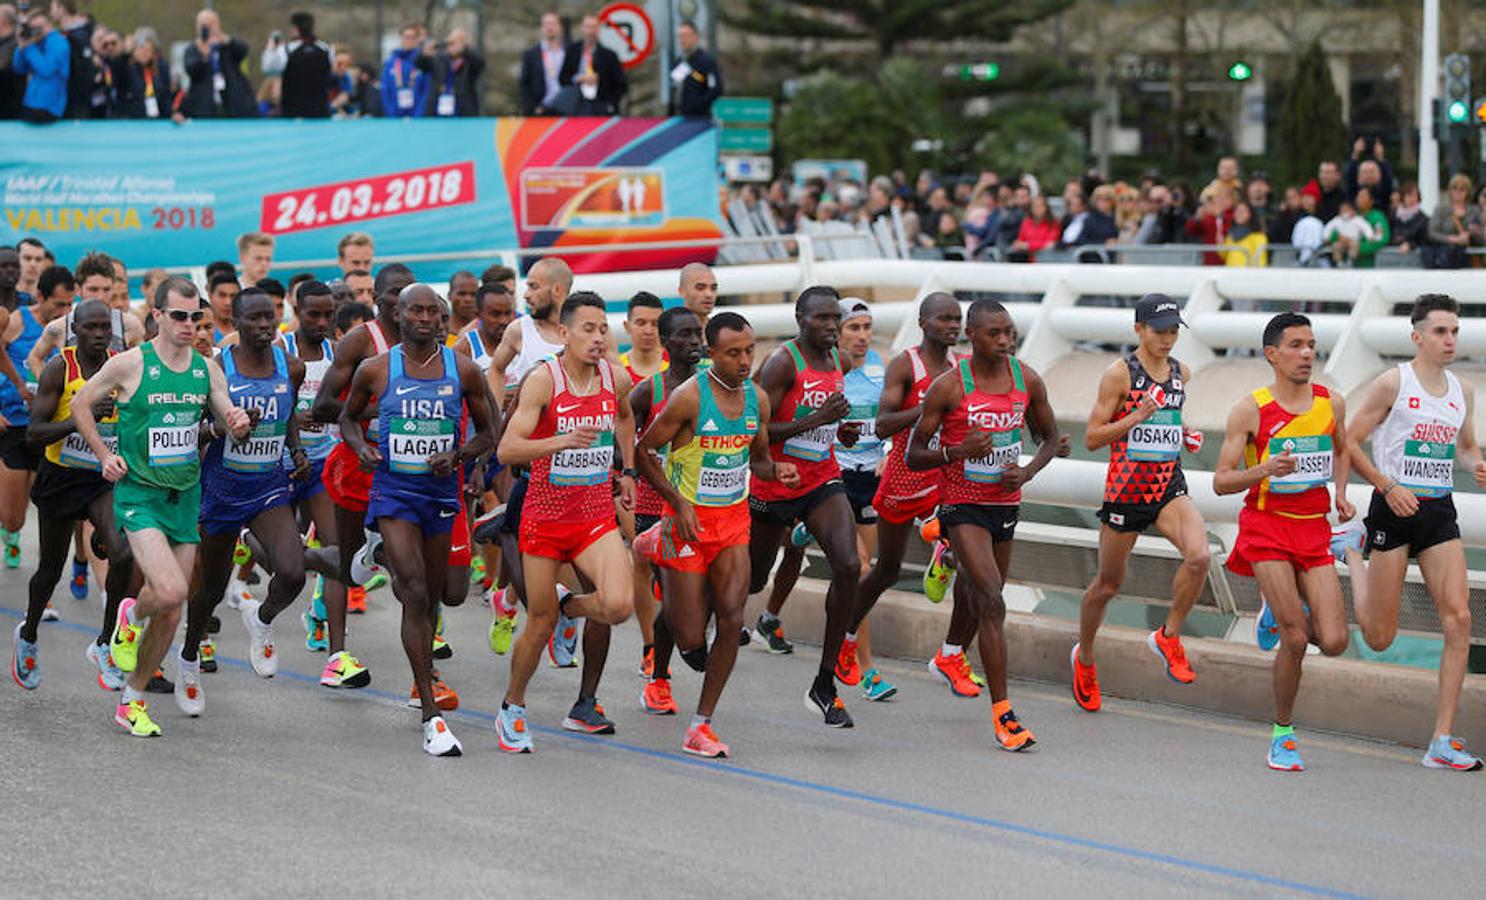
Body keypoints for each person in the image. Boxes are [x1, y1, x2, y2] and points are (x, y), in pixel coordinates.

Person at [70, 277, 250, 737]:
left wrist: (236, 419)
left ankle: (132, 699)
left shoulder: (206, 369)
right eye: (180, 316)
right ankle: (129, 617)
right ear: (157, 317)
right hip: (139, 495)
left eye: (196, 317)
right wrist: (103, 454)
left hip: (184, 496)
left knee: (172, 609)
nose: (190, 325)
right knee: (168, 592)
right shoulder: (130, 364)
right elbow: (80, 403)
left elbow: (226, 411)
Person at [340, 284, 496, 756]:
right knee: (415, 590)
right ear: (399, 315)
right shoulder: (376, 368)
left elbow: (491, 431)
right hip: (394, 493)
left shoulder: (462, 370)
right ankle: (431, 711)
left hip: (440, 493)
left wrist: (460, 454)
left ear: (443, 318)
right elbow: (347, 419)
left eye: (433, 311)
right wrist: (362, 447)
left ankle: (380, 554)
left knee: (441, 593)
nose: (425, 318)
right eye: (416, 310)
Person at [634, 311, 797, 757]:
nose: (745, 361)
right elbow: (643, 450)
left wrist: (775, 470)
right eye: (734, 353)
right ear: (712, 354)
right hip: (686, 521)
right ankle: (652, 546)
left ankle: (701, 725)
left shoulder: (757, 400)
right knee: (690, 637)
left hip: (731, 524)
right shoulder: (689, 398)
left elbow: (759, 458)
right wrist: (679, 503)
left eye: (750, 350)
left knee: (730, 618)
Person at [906, 299, 1060, 752]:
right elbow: (915, 454)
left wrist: (1027, 473)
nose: (1005, 340)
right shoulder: (948, 387)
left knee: (979, 594)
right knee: (992, 598)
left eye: (1010, 332)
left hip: (1004, 502)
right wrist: (956, 453)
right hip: (961, 503)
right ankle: (1004, 714)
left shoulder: (1026, 379)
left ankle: (949, 575)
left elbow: (1048, 437)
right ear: (971, 335)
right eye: (995, 333)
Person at [1338, 294, 1483, 771]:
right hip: (1393, 507)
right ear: (1417, 336)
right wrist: (1384, 484)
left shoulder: (1464, 390)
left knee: (1459, 619)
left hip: (1438, 509)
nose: (1450, 340)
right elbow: (1349, 440)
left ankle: (1440, 740)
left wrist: (1477, 464)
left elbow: (1464, 449)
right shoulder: (1391, 383)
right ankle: (1352, 553)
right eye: (1440, 332)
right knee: (1379, 637)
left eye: (1455, 331)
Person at [495, 291, 636, 753]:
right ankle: (512, 706)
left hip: (594, 516)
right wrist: (560, 441)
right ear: (564, 333)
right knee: (537, 623)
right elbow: (508, 450)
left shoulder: (614, 378)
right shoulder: (543, 381)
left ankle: (568, 609)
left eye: (604, 329)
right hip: (546, 517)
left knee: (617, 606)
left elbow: (626, 420)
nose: (599, 338)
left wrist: (629, 471)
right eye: (589, 329)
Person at [1213, 312, 1354, 771]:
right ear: (1272, 354)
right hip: (1267, 526)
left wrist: (1342, 494)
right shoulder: (1250, 409)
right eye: (1295, 345)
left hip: (1313, 527)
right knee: (1295, 638)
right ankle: (1283, 733)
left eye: (1312, 345)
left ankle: (1277, 608)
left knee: (1333, 641)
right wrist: (1264, 471)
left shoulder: (1331, 402)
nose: (1307, 353)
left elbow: (1343, 450)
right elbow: (1221, 481)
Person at [1072, 294, 1210, 712]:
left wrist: (1184, 431)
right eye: (1158, 331)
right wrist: (1136, 416)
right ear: (1138, 330)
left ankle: (1168, 636)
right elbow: (1093, 438)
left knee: (1200, 556)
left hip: (1168, 485)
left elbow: (1168, 417)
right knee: (1108, 584)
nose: (1167, 339)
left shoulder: (1181, 373)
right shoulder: (1119, 375)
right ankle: (1085, 658)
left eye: (1172, 331)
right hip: (1126, 493)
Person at [175, 287, 310, 715]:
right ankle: (189, 656)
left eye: (270, 316)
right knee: (210, 590)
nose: (265, 325)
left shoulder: (291, 367)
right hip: (220, 490)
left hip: (268, 485)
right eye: (254, 318)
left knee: (292, 572)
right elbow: (189, 433)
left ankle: (262, 619)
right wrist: (225, 429)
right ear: (234, 322)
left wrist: (297, 449)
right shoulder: (215, 369)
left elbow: (287, 414)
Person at [853, 293, 979, 695]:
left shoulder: (962, 367)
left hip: (943, 479)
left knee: (974, 563)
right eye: (944, 319)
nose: (952, 326)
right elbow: (883, 423)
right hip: (903, 480)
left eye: (956, 319)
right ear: (923, 323)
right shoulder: (906, 364)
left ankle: (952, 650)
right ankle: (846, 633)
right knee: (886, 568)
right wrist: (928, 408)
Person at [747, 285, 861, 727]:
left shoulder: (840, 361)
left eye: (837, 318)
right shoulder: (781, 363)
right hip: (773, 483)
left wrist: (839, 431)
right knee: (756, 580)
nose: (832, 326)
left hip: (821, 479)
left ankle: (824, 683)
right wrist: (818, 420)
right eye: (822, 319)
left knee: (849, 566)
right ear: (800, 318)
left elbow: (825, 420)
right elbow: (755, 432)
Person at [12, 300, 134, 691]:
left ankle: (106, 642)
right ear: (75, 331)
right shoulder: (59, 368)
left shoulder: (122, 366)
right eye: (91, 328)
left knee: (123, 552)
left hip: (102, 479)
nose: (99, 334)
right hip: (61, 478)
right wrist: (81, 419)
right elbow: (34, 433)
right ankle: (29, 633)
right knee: (50, 569)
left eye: (105, 328)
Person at [311, 264, 414, 690]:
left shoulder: (430, 344)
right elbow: (321, 407)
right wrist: (374, 411)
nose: (400, 300)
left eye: (407, 292)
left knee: (411, 567)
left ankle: (423, 671)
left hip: (409, 468)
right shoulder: (360, 340)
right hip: (359, 461)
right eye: (391, 293)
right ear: (377, 296)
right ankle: (337, 656)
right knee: (342, 560)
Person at [630, 306, 702, 699]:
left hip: (704, 507)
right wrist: (623, 479)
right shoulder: (649, 391)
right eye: (685, 335)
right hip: (651, 508)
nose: (695, 342)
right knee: (675, 599)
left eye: (699, 334)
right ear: (666, 342)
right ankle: (658, 678)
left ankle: (662, 662)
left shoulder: (714, 388)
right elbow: (627, 443)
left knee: (689, 597)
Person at [282, 280, 355, 668]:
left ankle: (338, 654)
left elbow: (350, 407)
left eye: (329, 315)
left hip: (324, 465)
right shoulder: (281, 349)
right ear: (297, 310)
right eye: (315, 314)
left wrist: (327, 415)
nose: (323, 321)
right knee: (285, 564)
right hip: (279, 466)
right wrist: (294, 420)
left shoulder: (338, 353)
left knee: (338, 554)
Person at [0, 264, 71, 571]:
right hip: (13, 423)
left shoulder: (70, 326)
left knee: (41, 502)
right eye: (58, 304)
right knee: (13, 520)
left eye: (70, 304)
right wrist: (17, 385)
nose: (65, 311)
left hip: (46, 428)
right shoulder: (17, 322)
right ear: (39, 296)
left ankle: (47, 575)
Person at [179, 9, 254, 119]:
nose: (207, 28)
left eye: (211, 24)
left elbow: (243, 51)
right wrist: (204, 55)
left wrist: (226, 40)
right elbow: (190, 70)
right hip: (205, 106)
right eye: (203, 25)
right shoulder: (193, 49)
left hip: (232, 103)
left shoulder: (227, 45)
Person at [559, 15, 625, 116]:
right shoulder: (572, 51)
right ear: (582, 28)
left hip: (601, 107)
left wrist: (610, 104)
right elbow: (562, 78)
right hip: (575, 107)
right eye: (588, 27)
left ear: (598, 29)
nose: (590, 32)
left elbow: (621, 85)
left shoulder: (609, 55)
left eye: (593, 27)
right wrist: (578, 79)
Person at [12, 8, 68, 123]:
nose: (36, 31)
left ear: (49, 25)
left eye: (40, 27)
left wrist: (29, 47)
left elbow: (46, 70)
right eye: (33, 28)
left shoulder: (58, 42)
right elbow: (19, 69)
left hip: (49, 105)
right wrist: (21, 47)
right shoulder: (36, 44)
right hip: (32, 102)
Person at [416, 28, 482, 117]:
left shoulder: (469, 60)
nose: (454, 45)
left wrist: (464, 50)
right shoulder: (439, 58)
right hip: (438, 107)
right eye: (451, 42)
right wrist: (424, 54)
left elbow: (480, 63)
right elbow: (420, 65)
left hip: (463, 109)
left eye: (459, 41)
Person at [280, 11, 331, 118]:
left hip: (292, 111)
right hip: (320, 110)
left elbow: (269, 69)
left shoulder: (286, 49)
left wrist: (271, 49)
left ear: (295, 28)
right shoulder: (325, 49)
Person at [112, 27, 172, 120]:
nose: (144, 53)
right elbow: (117, 68)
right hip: (132, 122)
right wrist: (126, 50)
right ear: (133, 50)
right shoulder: (126, 68)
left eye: (148, 50)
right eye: (141, 48)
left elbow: (166, 97)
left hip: (156, 121)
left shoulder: (161, 69)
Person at [668, 20, 721, 118]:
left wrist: (697, 104)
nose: (683, 39)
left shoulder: (706, 62)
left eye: (686, 35)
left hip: (699, 118)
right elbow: (674, 85)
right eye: (680, 36)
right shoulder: (679, 62)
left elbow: (715, 89)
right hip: (678, 117)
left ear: (695, 37)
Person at [518, 11, 566, 116]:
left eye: (553, 24)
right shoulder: (531, 54)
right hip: (541, 110)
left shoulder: (568, 52)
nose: (550, 28)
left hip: (565, 109)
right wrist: (533, 107)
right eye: (546, 24)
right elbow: (524, 84)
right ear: (541, 28)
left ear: (560, 27)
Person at [380, 23, 427, 118]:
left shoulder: (423, 62)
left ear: (417, 40)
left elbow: (425, 91)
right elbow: (385, 90)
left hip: (417, 117)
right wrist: (391, 114)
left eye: (411, 37)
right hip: (394, 116)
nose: (407, 40)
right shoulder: (390, 62)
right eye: (405, 37)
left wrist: (418, 115)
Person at [618, 291, 667, 383]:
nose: (648, 331)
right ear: (627, 327)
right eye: (641, 323)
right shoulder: (615, 369)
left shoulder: (675, 365)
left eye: (655, 324)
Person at [445, 270, 478, 342]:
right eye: (462, 294)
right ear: (449, 295)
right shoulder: (441, 332)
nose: (468, 299)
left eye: (473, 294)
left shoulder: (485, 330)